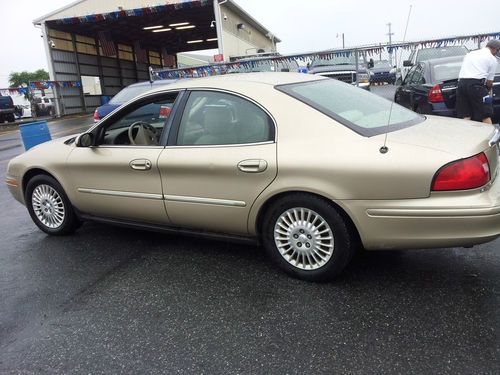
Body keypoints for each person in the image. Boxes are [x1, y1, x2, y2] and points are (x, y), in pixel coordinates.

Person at [456, 39, 500, 124]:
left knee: (466, 115)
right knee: (485, 114)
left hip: (461, 85)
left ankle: (466, 135)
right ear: (495, 49)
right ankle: (489, 136)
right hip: (476, 86)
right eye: (498, 51)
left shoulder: (470, 54)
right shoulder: (492, 59)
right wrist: (487, 90)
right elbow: (489, 82)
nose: (497, 53)